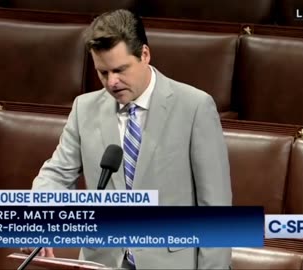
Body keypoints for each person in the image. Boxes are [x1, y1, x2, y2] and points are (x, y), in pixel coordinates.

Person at [27, 9, 232, 269]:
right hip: (102, 261)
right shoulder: (84, 108)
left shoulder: (194, 107)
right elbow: (56, 175)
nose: (112, 82)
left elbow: (215, 208)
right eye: (103, 73)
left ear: (144, 54)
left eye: (120, 70)